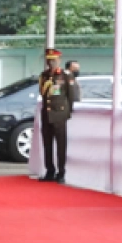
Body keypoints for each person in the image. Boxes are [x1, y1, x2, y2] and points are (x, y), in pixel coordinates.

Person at [39, 49, 74, 183]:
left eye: (53, 60)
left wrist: (67, 113)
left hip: (59, 114)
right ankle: (50, 170)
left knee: (61, 144)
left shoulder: (65, 75)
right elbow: (43, 94)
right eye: (49, 60)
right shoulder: (44, 75)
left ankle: (61, 172)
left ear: (59, 61)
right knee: (47, 144)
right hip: (47, 114)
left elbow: (71, 96)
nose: (51, 63)